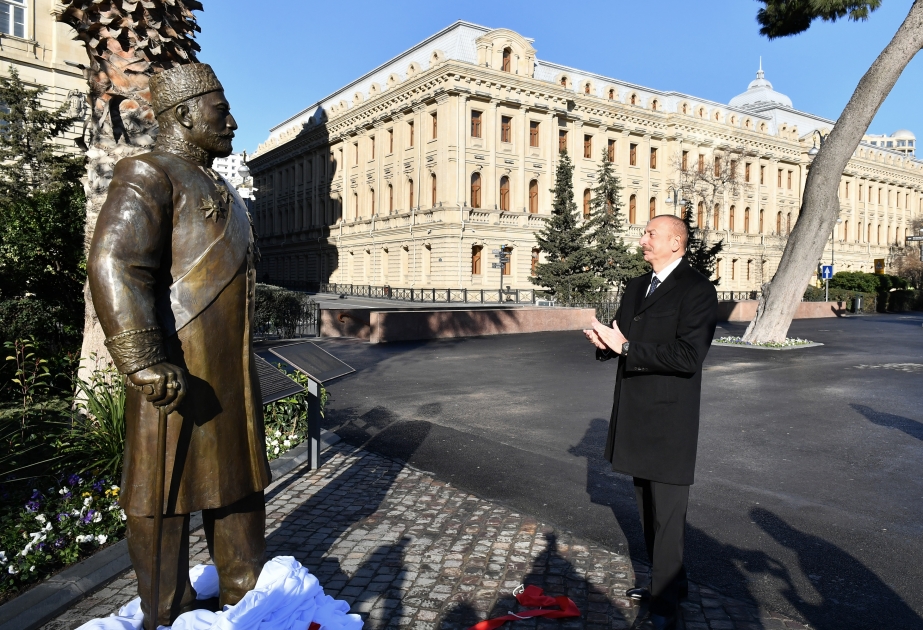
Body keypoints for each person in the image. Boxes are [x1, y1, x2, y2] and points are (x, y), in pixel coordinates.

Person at [87, 63, 270, 627]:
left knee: (238, 486)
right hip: (174, 370)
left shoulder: (223, 189)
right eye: (221, 112)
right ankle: (165, 610)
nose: (232, 123)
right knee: (162, 496)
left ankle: (249, 598)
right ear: (185, 114)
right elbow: (116, 261)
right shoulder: (147, 172)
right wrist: (142, 359)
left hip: (230, 374)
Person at [584, 214, 718, 630]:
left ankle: (665, 606)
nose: (642, 239)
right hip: (635, 415)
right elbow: (626, 339)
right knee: (646, 510)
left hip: (669, 420)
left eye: (650, 234)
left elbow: (688, 357)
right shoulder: (638, 285)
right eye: (644, 233)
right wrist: (607, 344)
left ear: (676, 243)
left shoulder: (697, 290)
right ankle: (669, 584)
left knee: (668, 517)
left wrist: (626, 348)